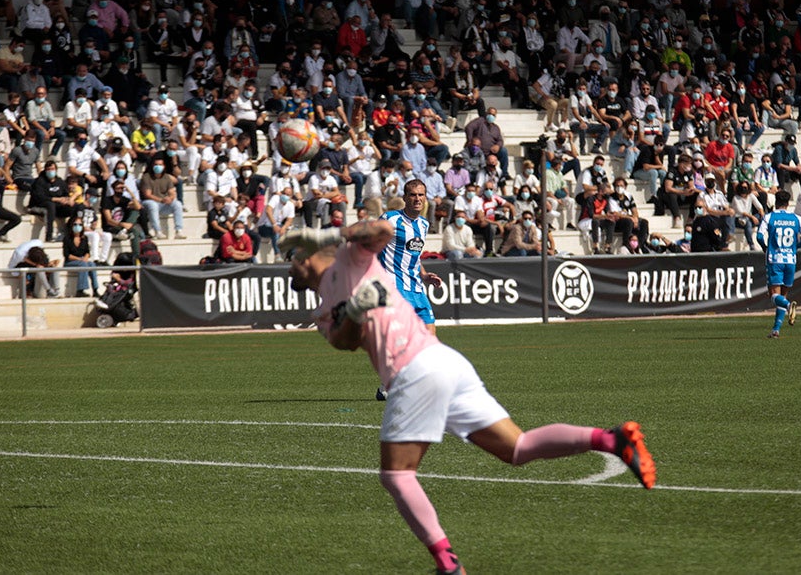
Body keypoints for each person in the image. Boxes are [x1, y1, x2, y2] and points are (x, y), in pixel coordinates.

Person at [280, 220, 656, 575]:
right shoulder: (321, 311)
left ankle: (448, 563)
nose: (289, 266)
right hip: (443, 363)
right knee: (518, 448)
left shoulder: (349, 255)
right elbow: (345, 341)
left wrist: (328, 233)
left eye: (292, 257)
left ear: (307, 255)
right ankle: (612, 439)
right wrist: (357, 310)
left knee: (397, 475)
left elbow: (385, 230)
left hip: (416, 369)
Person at [379, 179, 443, 333]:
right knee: (402, 340)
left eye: (421, 195)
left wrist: (424, 275)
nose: (417, 198)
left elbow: (414, 255)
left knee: (430, 339)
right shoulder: (390, 219)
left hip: (417, 289)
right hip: (395, 288)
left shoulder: (424, 224)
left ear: (425, 198)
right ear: (405, 198)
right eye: (413, 195)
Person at [756, 190, 801, 339]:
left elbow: (759, 236)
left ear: (775, 203)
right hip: (790, 260)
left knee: (773, 294)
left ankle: (788, 307)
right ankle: (776, 330)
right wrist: (796, 247)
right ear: (788, 203)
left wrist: (765, 248)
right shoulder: (797, 218)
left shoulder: (769, 217)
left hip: (775, 259)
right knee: (783, 294)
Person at [63, 216, 99, 298]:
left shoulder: (84, 238)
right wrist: (80, 259)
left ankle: (95, 289)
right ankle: (80, 290)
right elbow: (67, 255)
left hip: (82, 260)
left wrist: (86, 257)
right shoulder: (67, 239)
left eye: (80, 224)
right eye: (75, 224)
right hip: (70, 262)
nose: (77, 226)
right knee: (83, 265)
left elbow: (87, 251)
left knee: (92, 265)